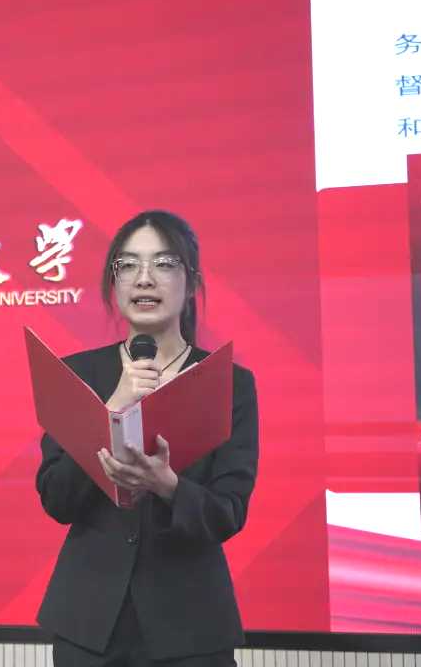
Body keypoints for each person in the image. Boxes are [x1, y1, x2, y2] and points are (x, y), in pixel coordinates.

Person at [35, 210, 259, 667]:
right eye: (128, 265)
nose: (144, 278)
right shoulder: (78, 375)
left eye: (164, 263)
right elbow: (56, 500)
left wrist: (169, 486)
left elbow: (228, 513)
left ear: (192, 284)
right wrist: (112, 409)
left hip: (190, 628)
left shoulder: (228, 383)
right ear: (114, 282)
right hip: (90, 624)